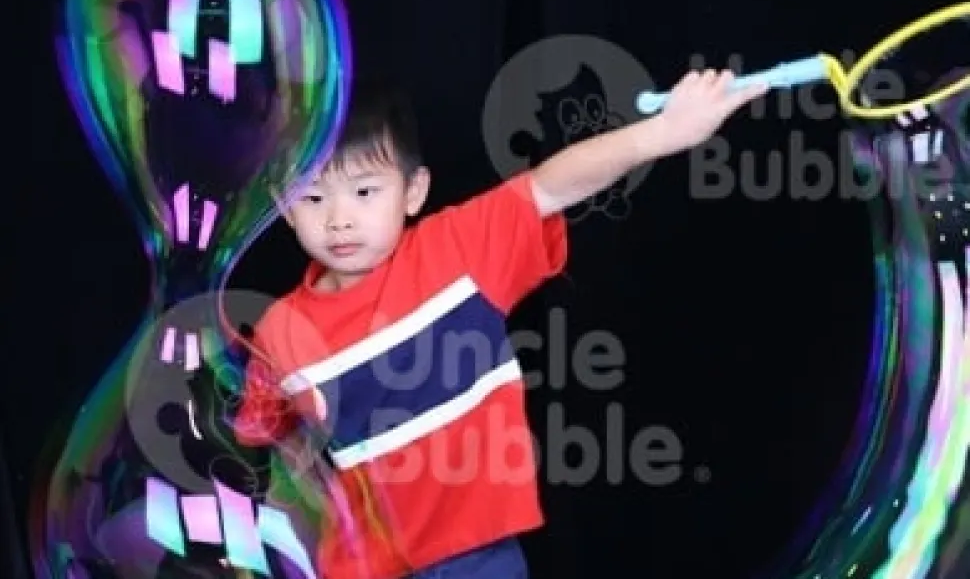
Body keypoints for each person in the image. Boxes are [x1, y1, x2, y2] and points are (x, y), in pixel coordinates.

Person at [235, 69, 765, 579]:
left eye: (365, 191)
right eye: (313, 196)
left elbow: (551, 186)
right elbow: (278, 456)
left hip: (477, 558)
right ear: (284, 205)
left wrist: (665, 132)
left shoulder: (458, 250)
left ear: (413, 191)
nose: (339, 219)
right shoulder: (280, 332)